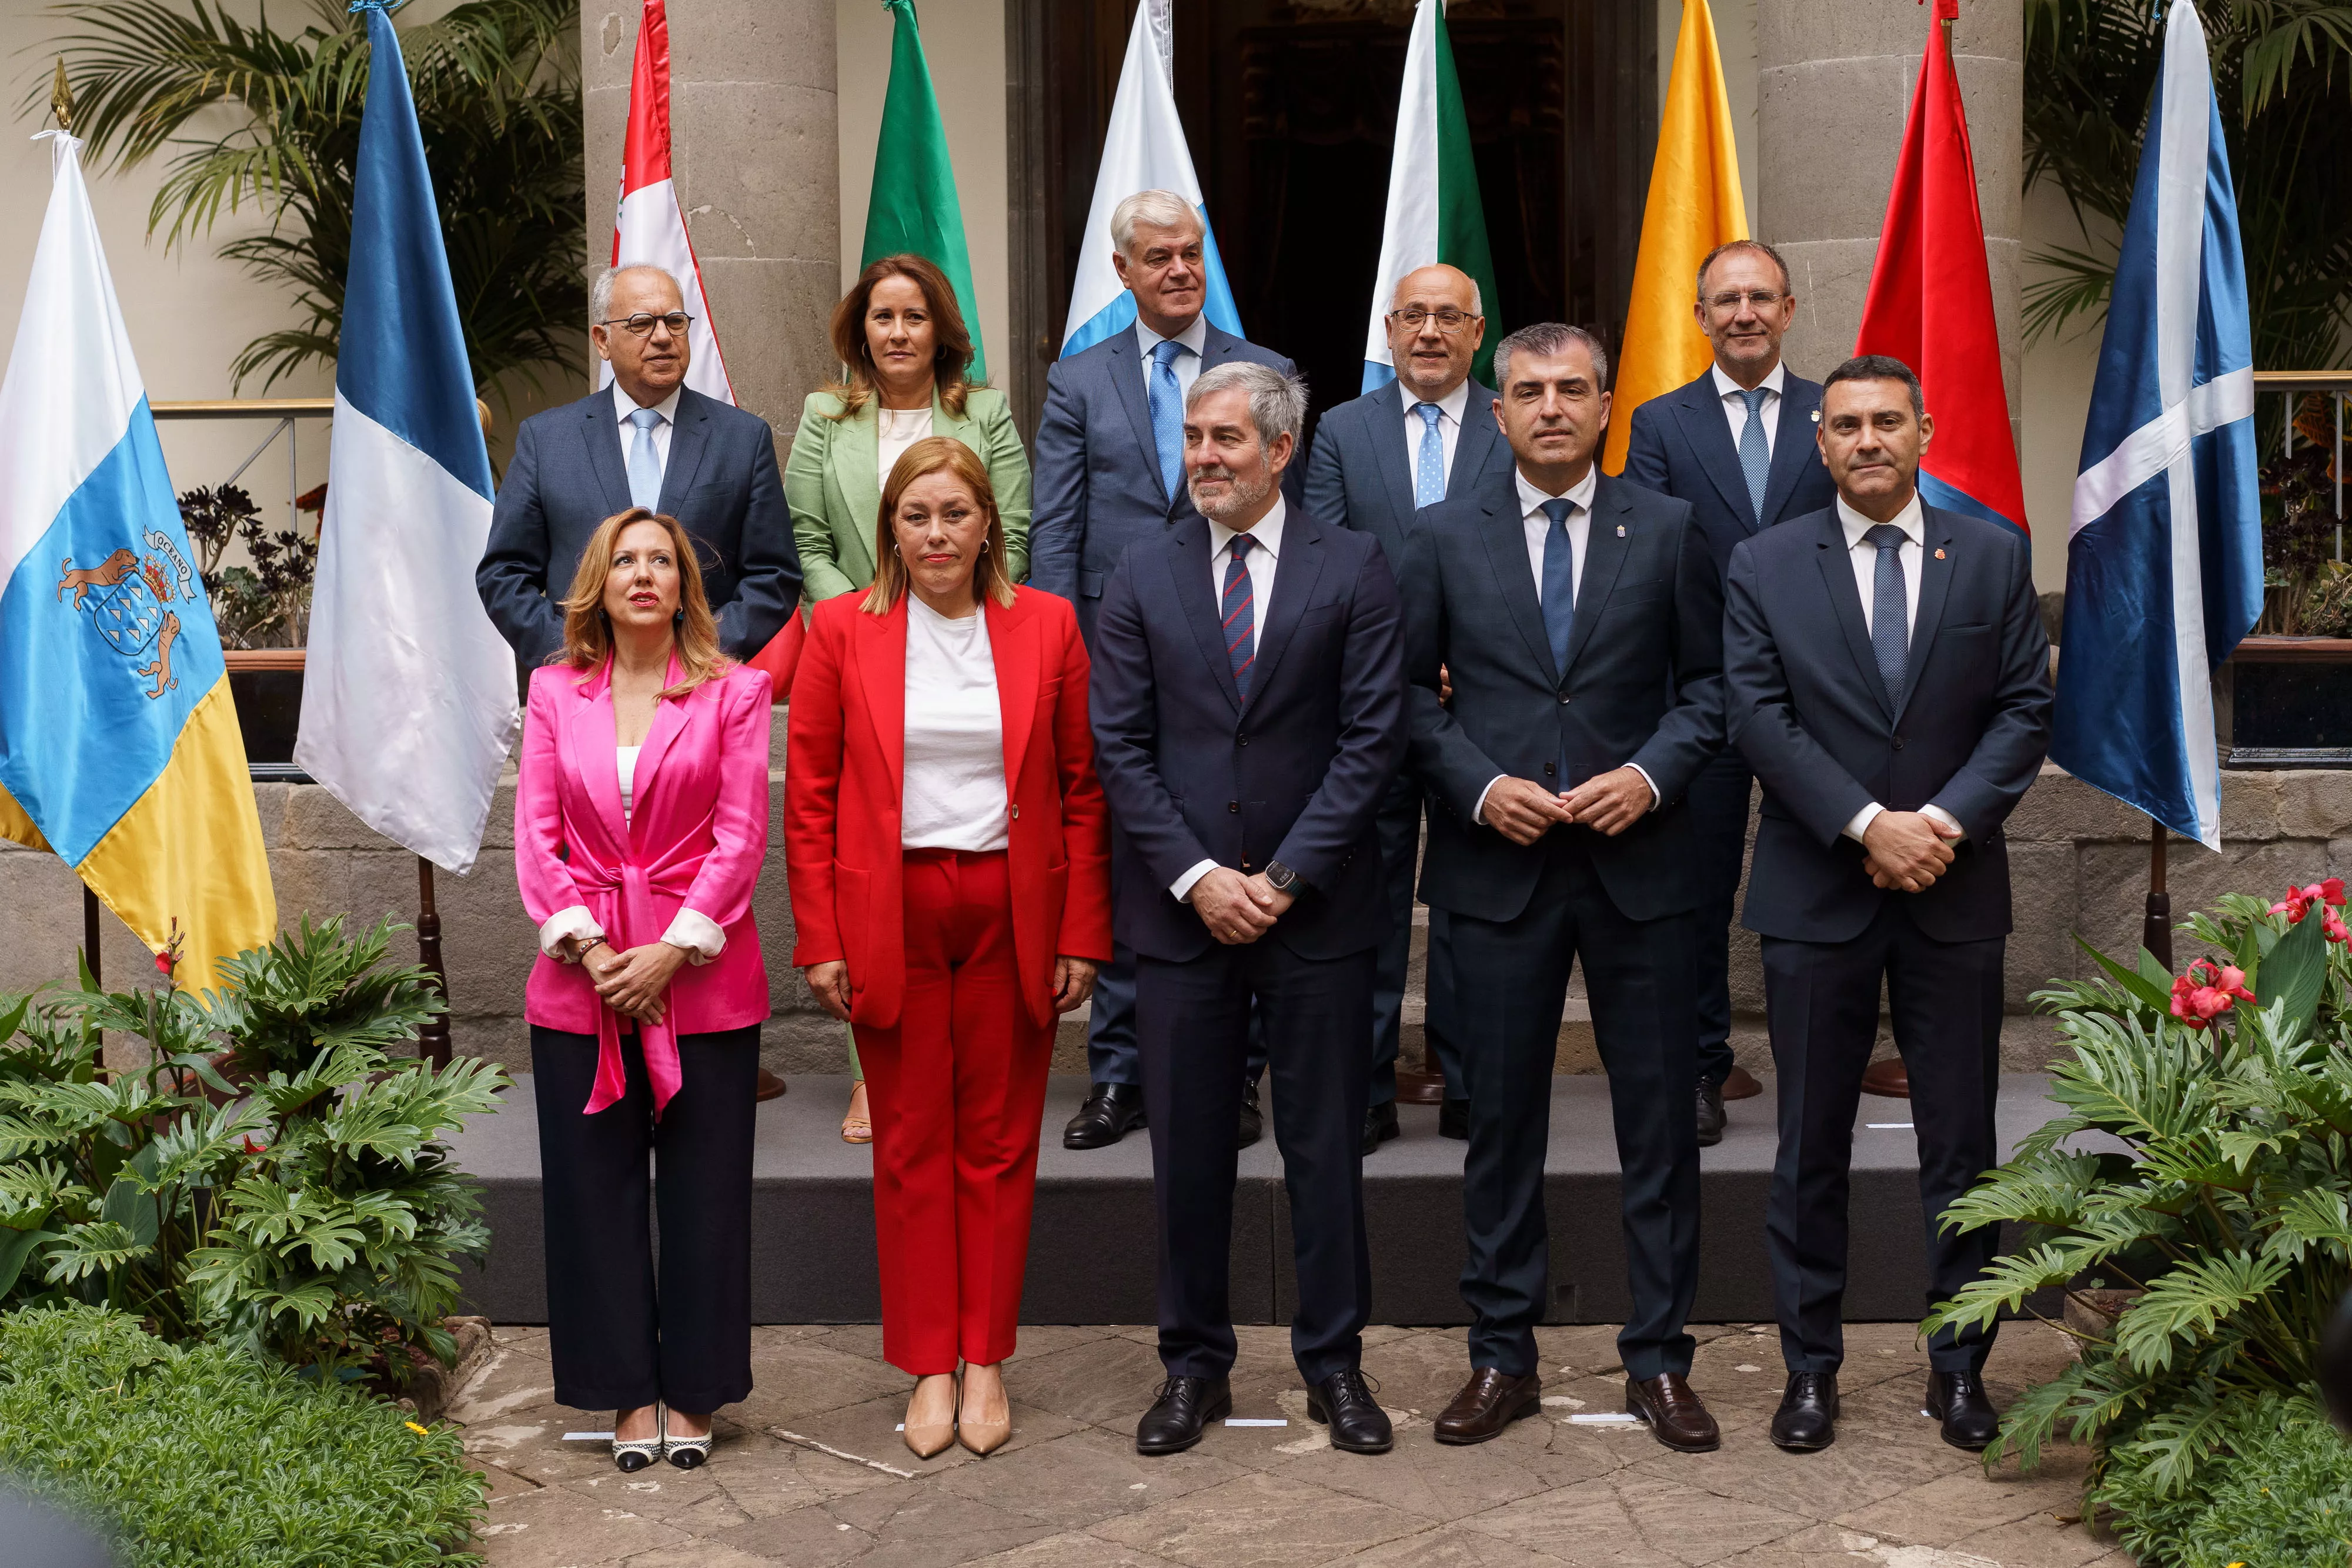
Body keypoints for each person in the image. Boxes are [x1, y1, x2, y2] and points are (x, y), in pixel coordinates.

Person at [1399, 323, 1726, 1453]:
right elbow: (1401, 698)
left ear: (1605, 408)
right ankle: (1501, 1357)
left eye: (1570, 389)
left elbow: (1715, 690)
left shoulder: (1673, 529)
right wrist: (1480, 787)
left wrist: (1650, 774)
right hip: (1498, 874)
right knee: (1497, 1132)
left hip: (1642, 874)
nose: (1549, 407)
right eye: (1528, 391)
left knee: (1659, 1135)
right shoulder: (1439, 537)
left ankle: (1661, 1361)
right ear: (1498, 414)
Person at [1722, 355, 2050, 1453]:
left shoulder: (1994, 555)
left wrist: (1939, 826)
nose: (1869, 440)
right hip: (1821, 892)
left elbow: (2021, 711)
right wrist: (1870, 826)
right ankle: (1809, 1371)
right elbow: (1759, 718)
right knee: (1808, 1144)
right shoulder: (1765, 563)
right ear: (1819, 441)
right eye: (1847, 424)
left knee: (1961, 1146)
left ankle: (1960, 1368)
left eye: (1889, 421)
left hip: (1954, 893)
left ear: (1925, 431)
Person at [1090, 363, 1406, 1459]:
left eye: (1228, 438)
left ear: (1281, 450)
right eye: (1194, 437)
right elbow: (1119, 746)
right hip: (1183, 923)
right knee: (1187, 1154)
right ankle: (1192, 1366)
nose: (1206, 456)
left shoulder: (1354, 566)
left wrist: (1280, 878)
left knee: (1324, 1150)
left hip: (1315, 917)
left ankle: (1336, 1365)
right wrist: (1199, 878)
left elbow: (1373, 742)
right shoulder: (1140, 570)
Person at [784, 436, 1112, 1459]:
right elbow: (811, 799)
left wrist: (1081, 931)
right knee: (913, 1142)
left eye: (954, 514)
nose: (935, 533)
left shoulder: (1048, 626)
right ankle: (928, 1360)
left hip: (1014, 906)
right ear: (890, 526)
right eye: (916, 515)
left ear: (987, 526)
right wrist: (821, 938)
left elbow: (1081, 788)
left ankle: (986, 1358)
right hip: (895, 906)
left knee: (1003, 1141)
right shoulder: (840, 629)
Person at [1030, 189, 1297, 1152]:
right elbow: (1056, 525)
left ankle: (1241, 1076)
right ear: (1125, 271)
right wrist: (1057, 654)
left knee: (1238, 846)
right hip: (1118, 649)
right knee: (1131, 860)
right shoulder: (1079, 378)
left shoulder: (1263, 372)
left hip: (1237, 652)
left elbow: (1285, 526)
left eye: (1192, 252)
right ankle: (1117, 1075)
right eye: (1159, 256)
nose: (1180, 269)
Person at [514, 506, 774, 1474]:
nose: (642, 574)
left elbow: (741, 837)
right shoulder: (552, 690)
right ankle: (628, 1391)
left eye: (660, 560)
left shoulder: (735, 691)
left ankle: (696, 1392)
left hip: (701, 982)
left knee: (707, 1195)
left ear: (683, 587)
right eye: (624, 559)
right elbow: (537, 842)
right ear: (599, 581)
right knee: (594, 1192)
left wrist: (670, 950)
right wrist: (590, 950)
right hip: (581, 985)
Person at [786, 253, 1034, 1145]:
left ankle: (959, 1083)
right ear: (863, 330)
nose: (898, 332)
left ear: (941, 331)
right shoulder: (825, 415)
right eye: (883, 317)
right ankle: (870, 1076)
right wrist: (860, 625)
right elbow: (807, 536)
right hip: (854, 652)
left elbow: (1015, 523)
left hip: (962, 642)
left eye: (915, 317)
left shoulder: (987, 412)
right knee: (864, 859)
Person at [1622, 238, 1838, 1146]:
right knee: (1697, 895)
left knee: (1827, 888)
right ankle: (1703, 1067)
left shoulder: (1840, 414)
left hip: (1823, 702)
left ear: (1789, 311)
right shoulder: (1660, 424)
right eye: (1726, 299)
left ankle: (1820, 1071)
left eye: (1761, 297)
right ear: (1700, 317)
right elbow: (1647, 562)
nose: (1744, 312)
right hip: (1701, 698)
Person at [1302, 262, 1516, 1153]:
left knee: (1472, 901)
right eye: (1413, 316)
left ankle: (1470, 1085)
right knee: (1370, 900)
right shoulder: (1342, 431)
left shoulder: (1515, 423)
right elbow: (1321, 557)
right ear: (1387, 333)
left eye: (1449, 318)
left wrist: (1470, 656)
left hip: (1482, 700)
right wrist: (1390, 661)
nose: (1430, 332)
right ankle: (1371, 1085)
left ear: (1478, 334)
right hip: (1370, 698)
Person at [479, 263, 802, 670]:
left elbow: (774, 576)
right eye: (642, 323)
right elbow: (504, 574)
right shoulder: (546, 440)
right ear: (602, 339)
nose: (664, 337)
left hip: (699, 689)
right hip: (580, 687)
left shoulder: (742, 439)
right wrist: (573, 654)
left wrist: (700, 654)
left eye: (675, 322)